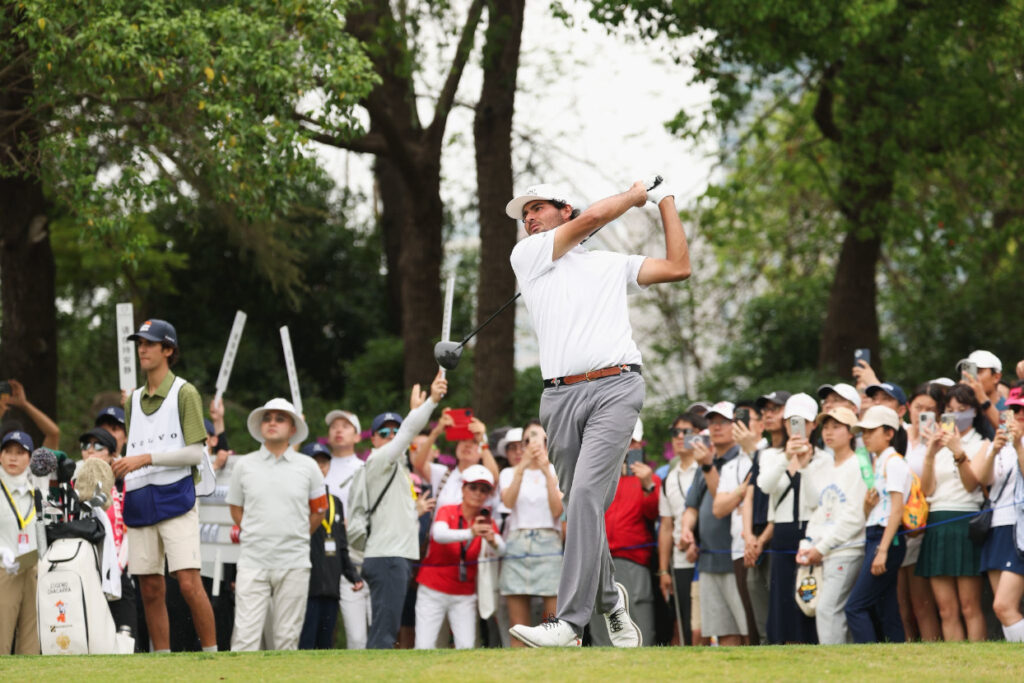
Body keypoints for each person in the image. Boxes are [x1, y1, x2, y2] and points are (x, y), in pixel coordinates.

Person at [505, 178, 691, 648]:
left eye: (538, 208)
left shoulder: (611, 264)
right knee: (580, 505)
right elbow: (593, 218)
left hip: (617, 386)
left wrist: (665, 200)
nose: (529, 218)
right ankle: (611, 599)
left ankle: (570, 623)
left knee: (586, 493)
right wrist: (633, 197)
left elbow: (678, 267)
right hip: (558, 398)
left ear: (564, 210)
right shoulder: (528, 256)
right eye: (525, 213)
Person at [111, 318, 217, 653]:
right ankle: (162, 660)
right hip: (140, 497)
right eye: (140, 344)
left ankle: (213, 656)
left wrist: (144, 459)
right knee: (149, 587)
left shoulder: (185, 392)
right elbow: (135, 447)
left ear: (168, 350)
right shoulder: (132, 400)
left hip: (177, 495)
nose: (142, 350)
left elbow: (195, 453)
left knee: (188, 583)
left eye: (150, 344)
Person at [227, 398, 326, 650]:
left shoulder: (309, 466)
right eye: (267, 418)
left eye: (280, 419)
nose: (272, 423)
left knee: (286, 640)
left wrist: (297, 535)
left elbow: (319, 511)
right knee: (244, 639)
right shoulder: (244, 465)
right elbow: (235, 508)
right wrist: (255, 533)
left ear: (293, 429)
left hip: (294, 561)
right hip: (253, 560)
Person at [362, 371, 448, 649]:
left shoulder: (398, 469)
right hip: (387, 555)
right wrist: (432, 401)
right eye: (384, 433)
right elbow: (408, 433)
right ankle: (376, 671)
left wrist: (415, 511)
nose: (391, 437)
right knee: (384, 634)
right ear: (374, 440)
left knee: (388, 629)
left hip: (393, 553)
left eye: (395, 432)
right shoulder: (378, 461)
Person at [916, 383, 989, 641]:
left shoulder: (981, 443)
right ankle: (953, 660)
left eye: (962, 408)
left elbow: (971, 484)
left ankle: (978, 658)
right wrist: (930, 453)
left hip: (966, 521)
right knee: (946, 609)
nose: (955, 414)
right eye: (949, 409)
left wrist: (958, 451)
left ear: (974, 411)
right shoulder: (937, 443)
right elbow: (926, 490)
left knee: (969, 606)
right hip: (937, 521)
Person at [757, 392, 829, 644]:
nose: (796, 427)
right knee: (782, 599)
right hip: (782, 531)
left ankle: (811, 645)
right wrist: (787, 458)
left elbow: (816, 501)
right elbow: (765, 486)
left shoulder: (824, 458)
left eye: (802, 422)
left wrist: (805, 466)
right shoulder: (771, 456)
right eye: (791, 421)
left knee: (809, 593)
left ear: (813, 425)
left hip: (811, 532)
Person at [796, 407, 867, 644]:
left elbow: (854, 516)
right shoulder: (825, 465)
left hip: (846, 549)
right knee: (831, 610)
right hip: (824, 551)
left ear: (851, 433)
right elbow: (815, 507)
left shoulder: (858, 465)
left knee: (828, 609)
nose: (828, 432)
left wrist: (822, 547)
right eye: (825, 427)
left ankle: (833, 660)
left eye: (836, 427)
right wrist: (808, 543)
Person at [679, 402, 747, 647]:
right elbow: (692, 507)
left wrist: (708, 466)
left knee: (747, 630)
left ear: (736, 425)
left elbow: (722, 503)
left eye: (723, 422)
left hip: (736, 558)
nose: (716, 427)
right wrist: (687, 530)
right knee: (723, 631)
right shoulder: (705, 462)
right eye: (712, 422)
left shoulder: (743, 459)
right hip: (708, 560)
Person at [415, 465, 505, 649]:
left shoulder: (486, 520)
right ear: (463, 489)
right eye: (473, 487)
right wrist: (471, 533)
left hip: (464, 594)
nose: (477, 493)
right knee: (424, 646)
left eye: (483, 490)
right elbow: (439, 534)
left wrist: (492, 540)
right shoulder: (447, 510)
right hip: (433, 589)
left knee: (466, 648)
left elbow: (502, 550)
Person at [588, 422, 660, 646]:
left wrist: (648, 485)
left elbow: (654, 513)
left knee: (638, 619)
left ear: (639, 445)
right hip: (599, 560)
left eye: (632, 442)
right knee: (601, 621)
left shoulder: (650, 479)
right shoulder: (599, 476)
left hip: (633, 560)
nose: (627, 446)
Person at [844, 405, 911, 643]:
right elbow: (876, 511)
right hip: (876, 535)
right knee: (886, 606)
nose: (866, 437)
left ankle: (867, 655)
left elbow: (897, 510)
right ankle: (897, 653)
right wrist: (867, 505)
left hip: (886, 539)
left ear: (889, 433)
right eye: (864, 432)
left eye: (871, 431)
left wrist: (882, 551)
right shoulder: (879, 463)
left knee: (855, 606)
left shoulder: (893, 462)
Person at [499, 421, 563, 647]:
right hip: (518, 542)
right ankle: (519, 664)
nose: (534, 445)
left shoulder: (556, 470)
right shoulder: (509, 472)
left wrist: (546, 471)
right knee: (518, 625)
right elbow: (508, 502)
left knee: (552, 623)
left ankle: (554, 664)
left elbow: (557, 510)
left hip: (549, 542)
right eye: (528, 440)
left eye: (541, 440)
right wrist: (522, 466)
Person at [299, 442, 363, 650]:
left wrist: (352, 575)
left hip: (331, 585)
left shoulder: (335, 501)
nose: (319, 467)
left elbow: (341, 544)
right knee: (305, 642)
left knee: (326, 644)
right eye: (314, 462)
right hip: (306, 584)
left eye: (324, 463)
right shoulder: (297, 499)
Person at [78, 426, 137, 638]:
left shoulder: (124, 485)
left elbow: (128, 530)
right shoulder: (73, 484)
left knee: (125, 637)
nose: (90, 450)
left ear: (113, 454)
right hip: (85, 573)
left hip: (118, 571)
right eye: (86, 445)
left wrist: (117, 567)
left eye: (98, 446)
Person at [320, 407, 370, 649]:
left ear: (357, 436)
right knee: (322, 624)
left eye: (345, 426)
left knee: (360, 634)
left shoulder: (365, 468)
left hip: (358, 553)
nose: (338, 430)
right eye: (333, 426)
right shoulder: (317, 467)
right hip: (323, 553)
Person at [742, 390, 790, 641]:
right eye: (765, 410)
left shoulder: (793, 452)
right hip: (755, 538)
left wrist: (761, 540)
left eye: (775, 409)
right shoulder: (762, 453)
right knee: (759, 604)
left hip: (778, 536)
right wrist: (749, 536)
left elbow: (782, 504)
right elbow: (749, 496)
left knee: (780, 609)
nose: (768, 415)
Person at [714, 403, 764, 644]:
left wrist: (752, 448)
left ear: (761, 425)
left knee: (768, 615)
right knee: (750, 620)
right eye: (735, 421)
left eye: (746, 420)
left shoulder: (769, 452)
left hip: (764, 543)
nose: (739, 426)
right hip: (738, 547)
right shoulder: (731, 464)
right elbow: (718, 508)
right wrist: (742, 491)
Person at [898, 383, 943, 642]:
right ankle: (906, 650)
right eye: (918, 407)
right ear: (908, 408)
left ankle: (931, 648)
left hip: (922, 523)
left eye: (930, 409)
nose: (922, 413)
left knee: (921, 602)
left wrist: (931, 450)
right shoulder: (898, 434)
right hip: (896, 521)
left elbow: (928, 488)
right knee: (899, 602)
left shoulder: (940, 441)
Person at [657, 412, 704, 646]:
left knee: (707, 626)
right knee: (686, 625)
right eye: (675, 432)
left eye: (686, 432)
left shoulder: (707, 469)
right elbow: (666, 527)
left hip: (708, 555)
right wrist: (663, 570)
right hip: (681, 559)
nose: (679, 437)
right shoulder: (668, 478)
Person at [987, 389, 1024, 641]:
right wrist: (995, 450)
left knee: (1003, 605)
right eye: (1014, 409)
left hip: (1017, 531)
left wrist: (1018, 445)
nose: (1018, 414)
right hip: (1009, 530)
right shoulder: (1005, 444)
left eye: (1022, 409)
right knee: (1003, 606)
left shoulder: (1017, 444)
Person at [0, 430, 40, 655]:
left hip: (31, 568)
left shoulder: (36, 491)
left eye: (20, 452)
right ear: (0, 456)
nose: (13, 457)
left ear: (30, 458)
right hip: (4, 569)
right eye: (8, 452)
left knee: (31, 639)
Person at [412, 410, 499, 509]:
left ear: (482, 452)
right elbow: (418, 464)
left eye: (475, 442)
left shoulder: (484, 481)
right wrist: (436, 432)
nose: (467, 445)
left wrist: (482, 441)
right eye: (463, 440)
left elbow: (494, 479)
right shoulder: (443, 474)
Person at [0, 379, 60, 450]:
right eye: (8, 444)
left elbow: (53, 434)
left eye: (20, 451)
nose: (13, 441)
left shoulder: (36, 457)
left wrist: (24, 404)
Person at [957, 350, 1004, 433]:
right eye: (969, 371)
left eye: (978, 371)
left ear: (996, 377)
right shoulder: (966, 409)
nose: (972, 377)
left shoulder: (1009, 407)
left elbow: (1007, 432)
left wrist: (982, 398)